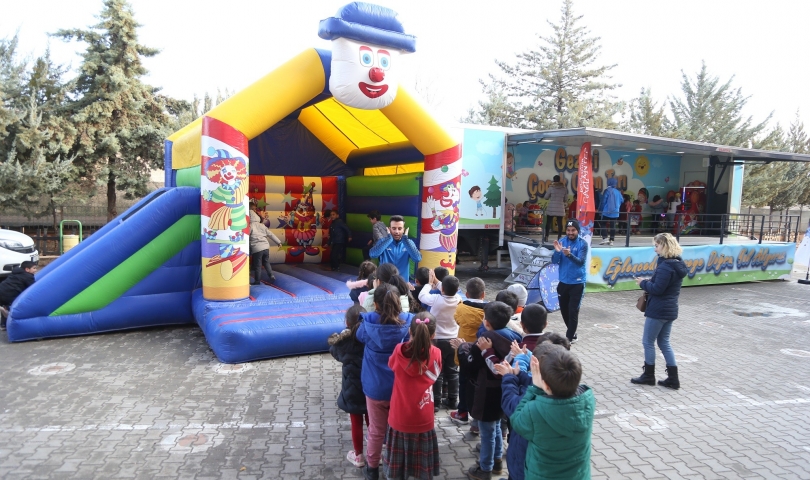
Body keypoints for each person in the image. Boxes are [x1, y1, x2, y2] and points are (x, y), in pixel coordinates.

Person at [356, 284, 415, 480]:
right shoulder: (409, 324)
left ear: (375, 304)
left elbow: (359, 336)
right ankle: (397, 466)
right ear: (400, 302)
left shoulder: (368, 323)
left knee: (376, 430)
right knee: (398, 430)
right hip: (400, 388)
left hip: (375, 388)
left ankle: (372, 469)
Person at [510, 347, 595, 480]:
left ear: (546, 385)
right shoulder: (588, 401)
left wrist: (534, 388)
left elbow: (517, 421)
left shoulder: (534, 410)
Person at [457, 301, 514, 480]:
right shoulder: (514, 339)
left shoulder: (484, 343)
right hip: (504, 392)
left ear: (487, 322)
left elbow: (470, 366)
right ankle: (497, 461)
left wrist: (462, 348)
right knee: (496, 425)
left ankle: (485, 468)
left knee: (487, 431)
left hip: (486, 393)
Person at [384, 312, 442, 480]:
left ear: (410, 332)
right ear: (433, 334)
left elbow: (391, 365)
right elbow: (436, 375)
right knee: (422, 469)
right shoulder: (436, 353)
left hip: (399, 416)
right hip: (423, 417)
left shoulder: (398, 351)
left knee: (396, 472)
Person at [495, 342, 560, 480]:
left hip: (525, 469)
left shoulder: (536, 404)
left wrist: (509, 378)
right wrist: (521, 374)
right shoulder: (577, 400)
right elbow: (532, 381)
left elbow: (513, 408)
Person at [632, 233, 687, 390]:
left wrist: (643, 283)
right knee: (664, 342)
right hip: (670, 309)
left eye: (657, 245)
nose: (655, 248)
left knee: (648, 342)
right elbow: (662, 285)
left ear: (665, 246)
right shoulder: (676, 263)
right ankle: (673, 378)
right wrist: (648, 281)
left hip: (659, 310)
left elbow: (658, 289)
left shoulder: (666, 266)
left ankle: (649, 375)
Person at [328, 305, 368, 468]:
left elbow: (333, 350)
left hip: (352, 387)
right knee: (373, 420)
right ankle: (376, 454)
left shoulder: (345, 342)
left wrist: (344, 333)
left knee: (356, 421)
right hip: (370, 384)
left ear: (347, 322)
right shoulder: (370, 338)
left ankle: (358, 455)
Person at [419, 272, 462, 411]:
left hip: (436, 341)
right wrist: (438, 282)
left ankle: (436, 402)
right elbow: (447, 290)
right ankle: (453, 399)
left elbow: (422, 296)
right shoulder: (459, 299)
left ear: (441, 289)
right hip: (453, 340)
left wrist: (429, 283)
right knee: (453, 371)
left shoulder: (436, 299)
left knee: (437, 371)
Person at [449, 277, 487, 430]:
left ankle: (462, 412)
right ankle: (477, 419)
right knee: (479, 386)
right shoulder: (487, 311)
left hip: (464, 351)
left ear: (466, 293)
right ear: (483, 294)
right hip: (481, 353)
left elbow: (457, 321)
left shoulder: (461, 308)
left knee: (463, 383)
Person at [552, 219, 588, 343]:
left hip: (577, 283)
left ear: (578, 231)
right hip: (563, 282)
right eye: (568, 230)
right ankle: (573, 334)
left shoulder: (583, 244)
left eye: (573, 230)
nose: (570, 232)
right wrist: (557, 252)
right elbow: (554, 261)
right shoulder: (561, 242)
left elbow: (580, 262)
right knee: (564, 310)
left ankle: (568, 338)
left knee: (573, 311)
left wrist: (569, 255)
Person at [369, 215, 422, 282]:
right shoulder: (383, 241)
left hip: (402, 284)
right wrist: (388, 240)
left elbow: (418, 258)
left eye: (400, 228)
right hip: (385, 283)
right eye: (394, 228)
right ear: (389, 229)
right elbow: (372, 254)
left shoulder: (408, 243)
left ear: (403, 229)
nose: (397, 232)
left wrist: (405, 240)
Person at [0, 260, 37, 330]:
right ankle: (7, 311)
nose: (36, 270)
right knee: (13, 305)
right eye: (34, 268)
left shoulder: (15, 272)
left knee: (4, 305)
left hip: (1, 290)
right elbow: (33, 288)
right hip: (10, 293)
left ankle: (3, 324)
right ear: (27, 269)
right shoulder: (28, 276)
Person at [249, 206, 281, 285]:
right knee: (266, 262)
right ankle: (271, 274)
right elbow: (270, 234)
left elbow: (247, 236)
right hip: (266, 247)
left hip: (257, 248)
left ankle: (257, 281)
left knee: (258, 265)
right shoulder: (262, 225)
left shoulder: (250, 226)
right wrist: (278, 242)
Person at [542, 175, 567, 243]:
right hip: (560, 207)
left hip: (552, 207)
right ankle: (559, 237)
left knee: (548, 222)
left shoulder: (551, 188)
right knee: (560, 223)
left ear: (553, 180)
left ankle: (546, 236)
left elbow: (546, 197)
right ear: (559, 180)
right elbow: (565, 199)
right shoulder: (564, 188)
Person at [599, 177, 622, 246]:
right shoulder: (618, 192)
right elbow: (622, 200)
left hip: (607, 211)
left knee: (603, 223)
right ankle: (611, 240)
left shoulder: (607, 190)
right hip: (615, 212)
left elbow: (603, 202)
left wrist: (600, 210)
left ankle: (605, 238)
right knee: (613, 226)